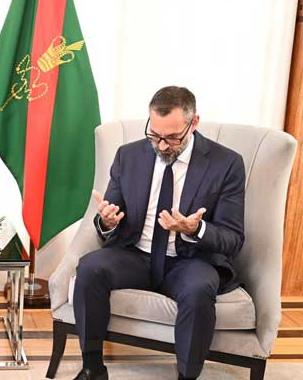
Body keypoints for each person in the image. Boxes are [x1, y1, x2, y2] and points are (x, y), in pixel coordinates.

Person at [71, 86, 245, 380]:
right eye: (155, 135)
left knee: (199, 290)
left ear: (194, 122)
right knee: (89, 268)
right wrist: (108, 222)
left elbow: (233, 239)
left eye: (173, 138)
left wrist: (196, 228)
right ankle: (92, 368)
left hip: (190, 260)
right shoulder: (128, 155)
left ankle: (186, 376)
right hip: (136, 255)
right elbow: (113, 213)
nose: (163, 146)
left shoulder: (226, 163)